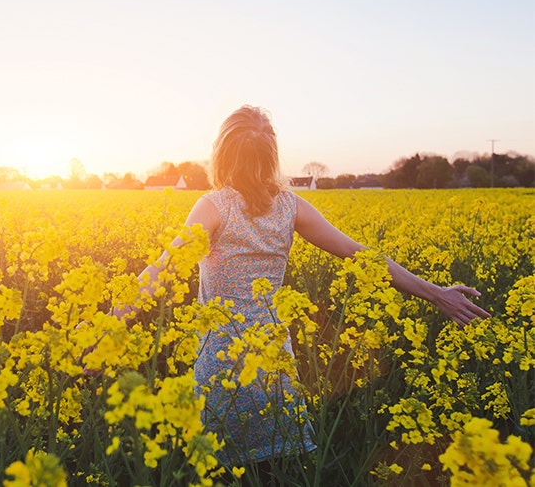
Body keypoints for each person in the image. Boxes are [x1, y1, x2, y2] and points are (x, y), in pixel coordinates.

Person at [115, 105, 491, 472]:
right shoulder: (290, 207)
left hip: (221, 362)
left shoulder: (212, 206)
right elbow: (361, 255)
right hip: (273, 360)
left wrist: (110, 328)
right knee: (280, 468)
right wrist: (436, 293)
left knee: (218, 469)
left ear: (222, 154)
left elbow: (159, 271)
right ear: (271, 155)